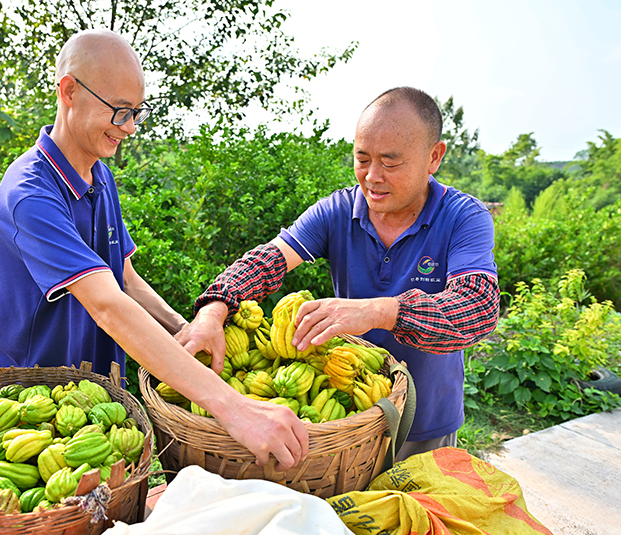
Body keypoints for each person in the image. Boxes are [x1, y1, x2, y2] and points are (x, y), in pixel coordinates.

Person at [0, 29, 308, 470]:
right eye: (118, 111)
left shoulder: (100, 178)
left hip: (92, 407)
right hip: (28, 412)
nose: (130, 128)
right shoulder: (31, 195)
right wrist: (233, 408)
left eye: (136, 113)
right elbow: (107, 305)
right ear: (69, 91)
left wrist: (184, 331)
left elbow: (126, 279)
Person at [179, 87, 500, 461]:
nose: (373, 177)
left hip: (425, 424)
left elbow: (477, 308)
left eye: (390, 163)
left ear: (434, 157)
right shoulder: (338, 210)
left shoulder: (464, 218)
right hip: (343, 425)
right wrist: (214, 309)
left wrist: (376, 311)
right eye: (362, 159)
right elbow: (267, 260)